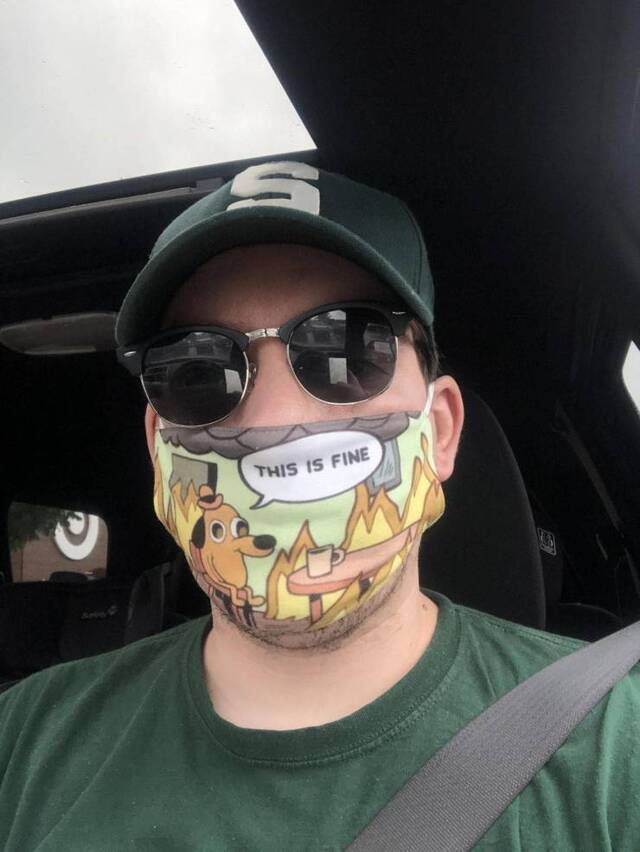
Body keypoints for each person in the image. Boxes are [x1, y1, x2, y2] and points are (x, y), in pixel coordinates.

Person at [0, 162, 638, 851]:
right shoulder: (25, 742)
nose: (274, 418)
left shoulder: (613, 747)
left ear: (441, 430)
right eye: (197, 369)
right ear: (159, 449)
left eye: (347, 347)